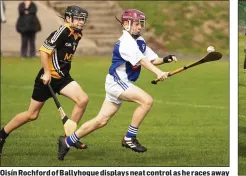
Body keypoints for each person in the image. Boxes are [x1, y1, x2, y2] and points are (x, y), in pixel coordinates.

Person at [57, 9, 175, 161]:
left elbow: (151, 59)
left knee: (101, 120)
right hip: (117, 83)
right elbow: (142, 61)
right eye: (137, 24)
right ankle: (129, 138)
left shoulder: (139, 40)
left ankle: (67, 141)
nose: (140, 27)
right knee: (147, 101)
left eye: (141, 24)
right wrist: (158, 73)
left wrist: (165, 60)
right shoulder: (126, 42)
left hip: (118, 83)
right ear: (126, 24)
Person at [0, 5, 88, 158]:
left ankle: (69, 138)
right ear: (68, 18)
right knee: (32, 115)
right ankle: (2, 135)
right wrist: (47, 72)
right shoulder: (63, 31)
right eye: (78, 18)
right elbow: (43, 50)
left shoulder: (77, 34)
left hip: (63, 78)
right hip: (47, 79)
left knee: (83, 100)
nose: (81, 22)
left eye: (83, 19)